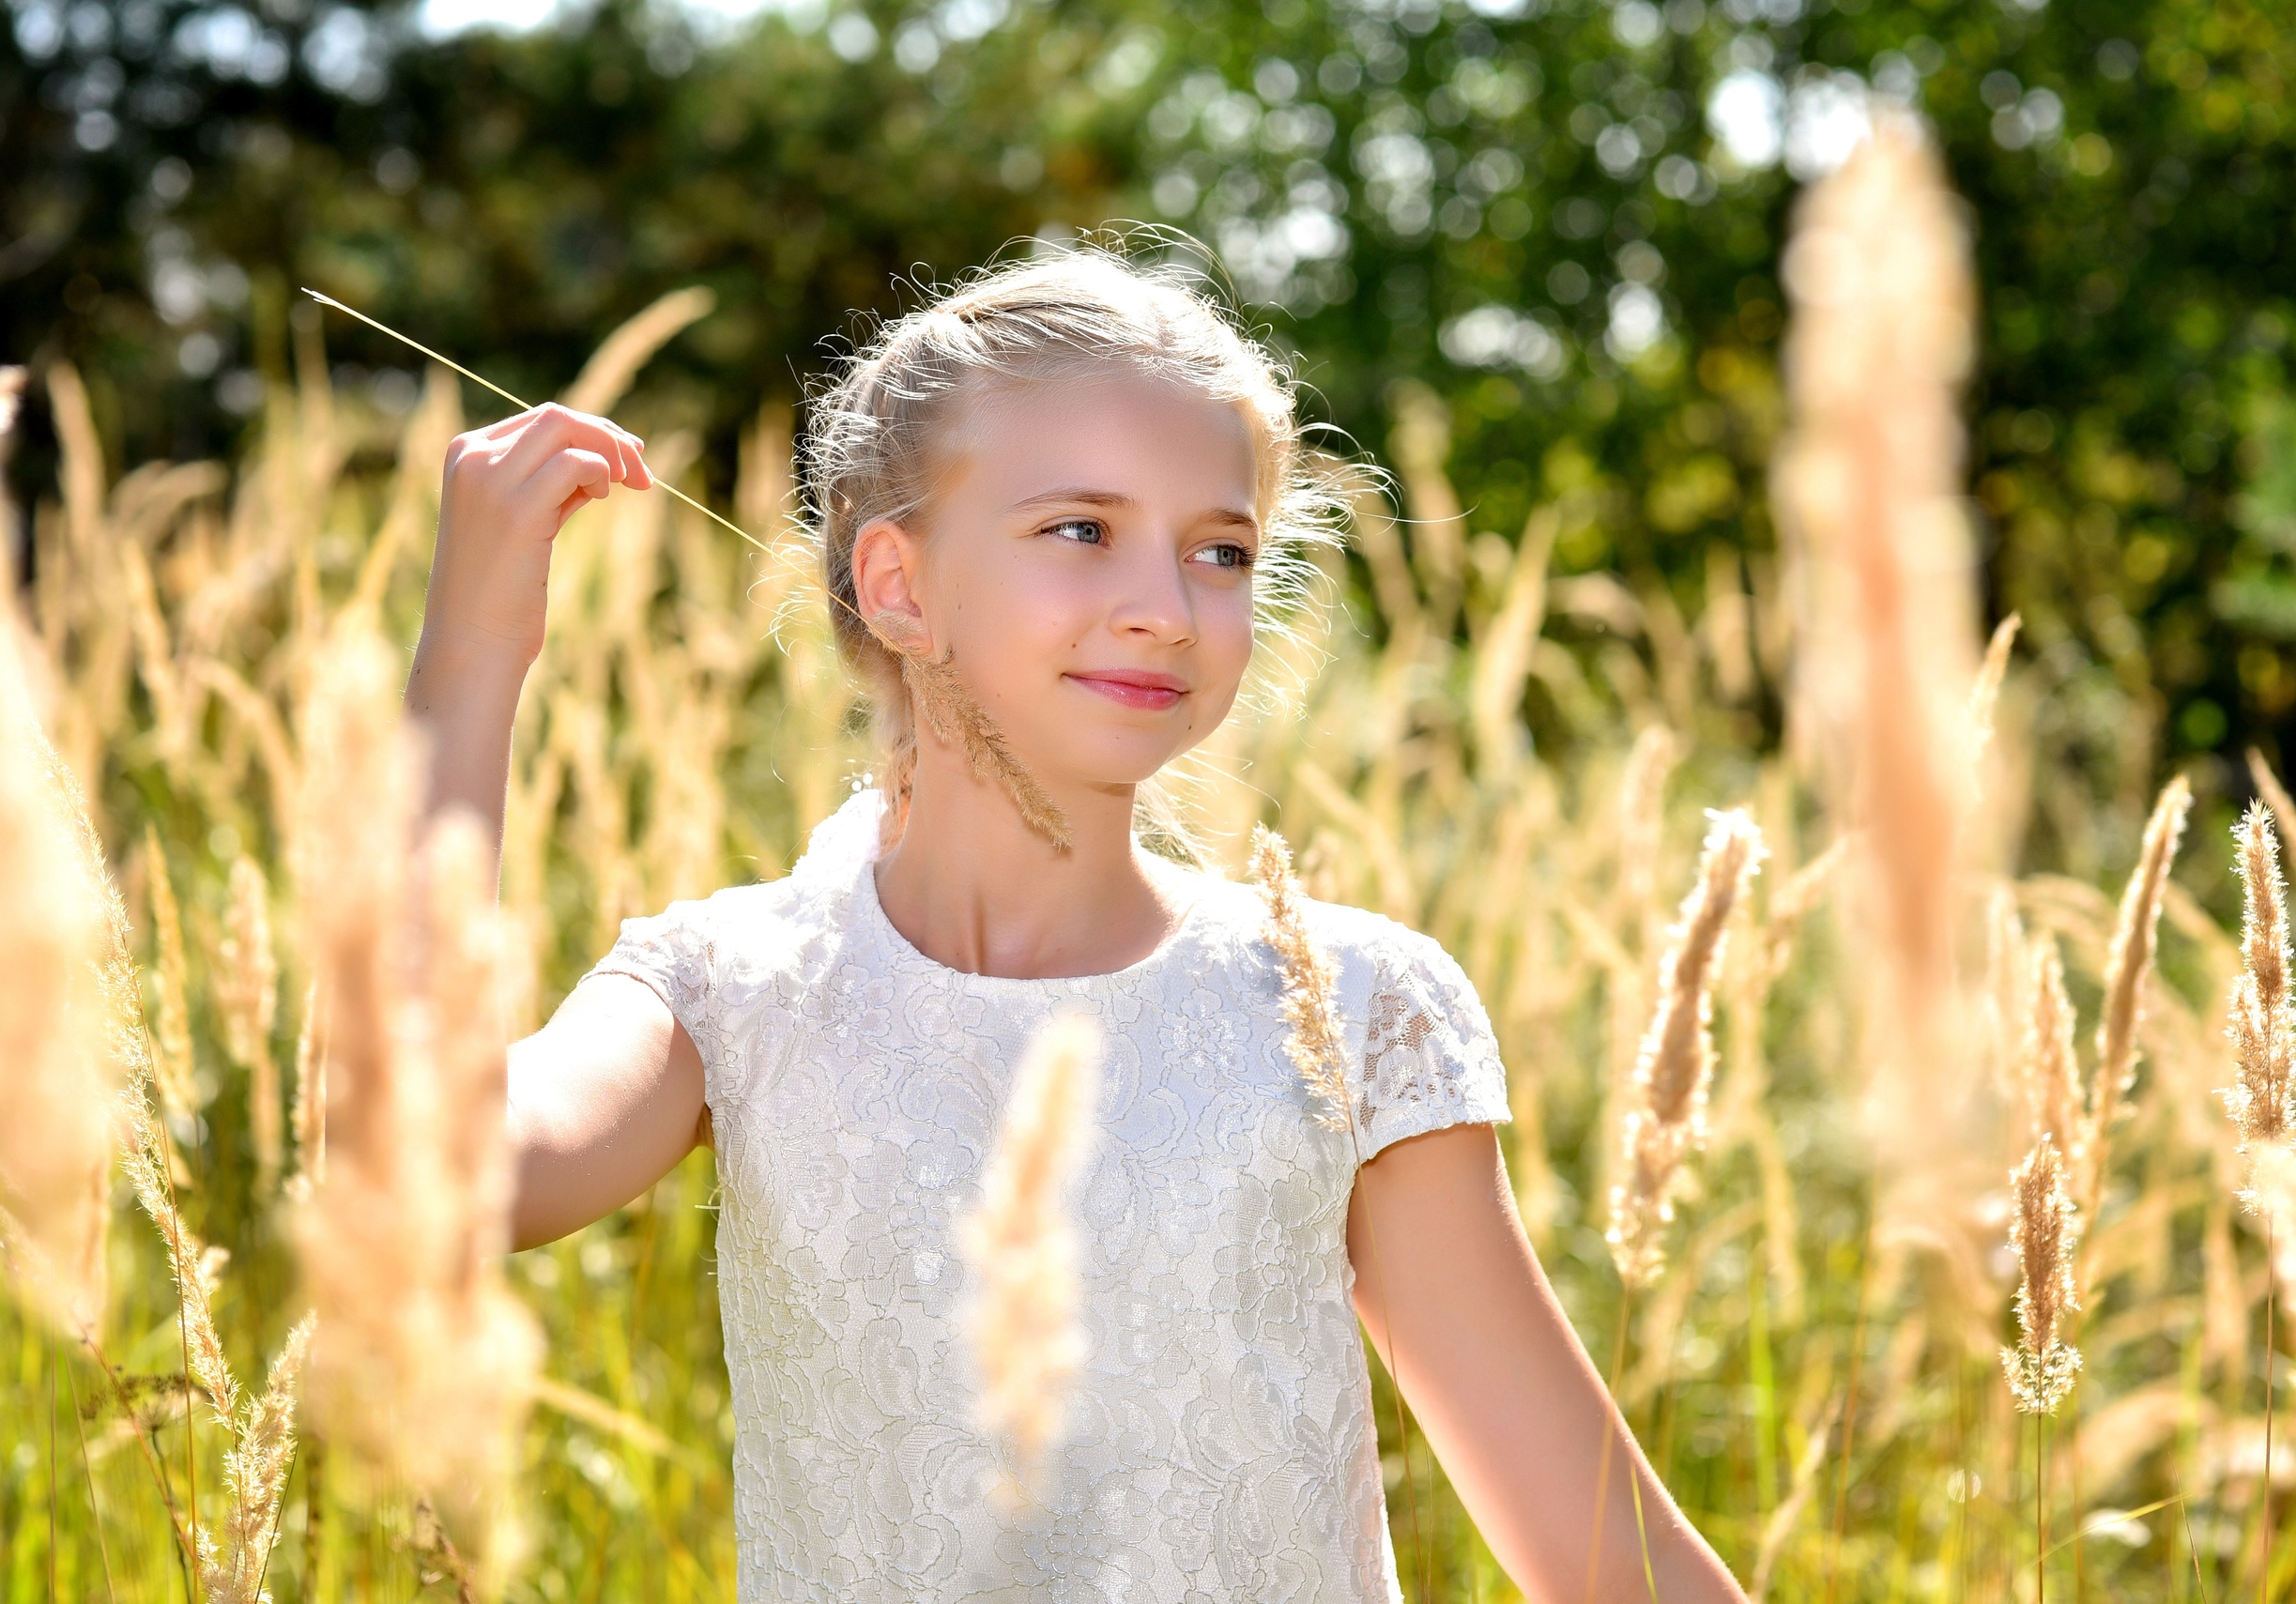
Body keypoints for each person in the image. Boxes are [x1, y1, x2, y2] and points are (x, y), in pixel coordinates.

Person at [401, 244, 1742, 1602]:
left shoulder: (1344, 1004)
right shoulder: (728, 991)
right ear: (900, 584)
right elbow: (431, 1184)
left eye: (1220, 550)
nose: (1167, 608)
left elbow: (1606, 1559)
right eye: (1082, 529)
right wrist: (469, 651)